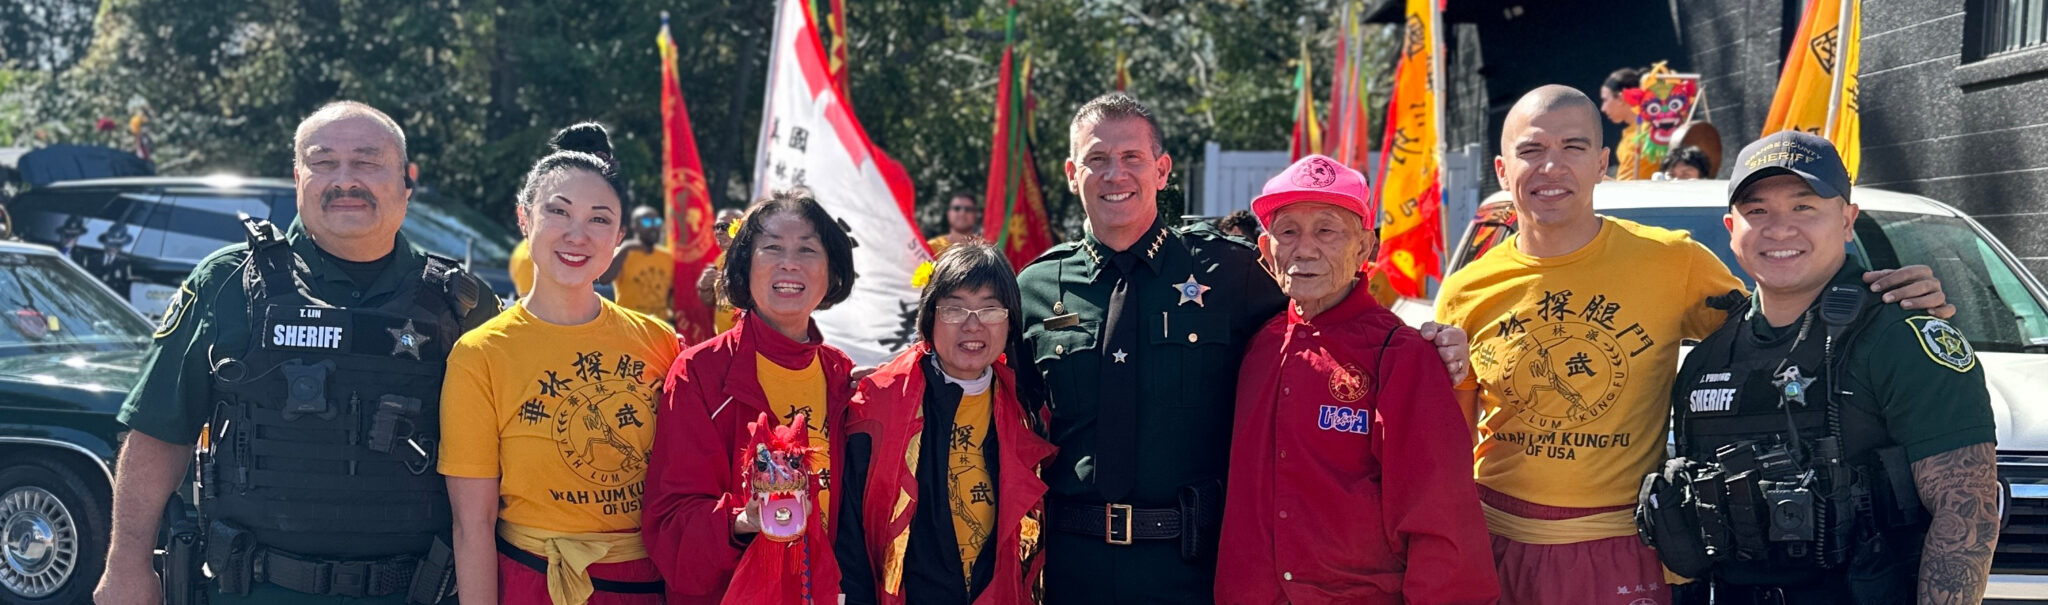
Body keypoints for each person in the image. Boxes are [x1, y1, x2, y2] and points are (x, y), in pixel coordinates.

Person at [1432, 85, 1952, 605]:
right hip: (1495, 543)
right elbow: (1446, 439)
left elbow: (1782, 323)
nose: (1552, 167)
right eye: (1531, 150)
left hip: (1624, 546)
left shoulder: (1672, 262)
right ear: (1502, 170)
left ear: (1602, 163)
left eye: (1573, 147)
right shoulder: (1465, 290)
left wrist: (1879, 297)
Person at [94, 101, 501, 605]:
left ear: (405, 181)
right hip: (257, 589)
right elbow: (159, 431)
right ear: (297, 177)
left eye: (368, 162)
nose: (345, 179)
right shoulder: (228, 283)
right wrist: (125, 567)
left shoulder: (461, 302)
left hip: (417, 590)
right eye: (323, 161)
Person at [1641, 131, 1999, 604]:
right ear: (1732, 229)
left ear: (1848, 220)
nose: (1779, 229)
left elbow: (1967, 516)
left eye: (1804, 207)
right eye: (1758, 211)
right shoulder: (1706, 358)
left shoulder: (1900, 339)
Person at [1216, 154, 1499, 604]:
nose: (1305, 249)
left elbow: (1440, 521)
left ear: (1365, 248)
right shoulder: (1257, 347)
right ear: (1268, 252)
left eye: (1327, 230)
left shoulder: (1402, 356)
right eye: (1289, 231)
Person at [439, 123, 682, 605]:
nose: (578, 234)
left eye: (599, 219)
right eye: (558, 211)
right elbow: (473, 524)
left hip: (647, 585)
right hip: (532, 583)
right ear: (524, 219)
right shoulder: (480, 355)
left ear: (619, 237)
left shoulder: (659, 342)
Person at [644, 188, 860, 604]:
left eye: (808, 250)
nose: (789, 263)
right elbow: (669, 524)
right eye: (772, 248)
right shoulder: (699, 374)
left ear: (832, 272)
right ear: (744, 268)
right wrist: (743, 520)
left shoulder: (841, 374)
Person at [836, 242, 1057, 605]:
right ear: (929, 318)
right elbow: (850, 540)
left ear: (1010, 321)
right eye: (955, 309)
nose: (973, 324)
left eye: (989, 308)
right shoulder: (877, 403)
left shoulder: (1024, 409)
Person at [601, 205, 677, 323]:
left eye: (656, 222)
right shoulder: (623, 253)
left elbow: (670, 292)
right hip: (629, 325)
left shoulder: (666, 257)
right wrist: (625, 249)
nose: (653, 227)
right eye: (646, 222)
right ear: (634, 226)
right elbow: (604, 279)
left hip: (660, 327)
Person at [1600, 67, 1654, 181]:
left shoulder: (1646, 132)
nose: (1603, 108)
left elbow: (1628, 190)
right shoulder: (1635, 132)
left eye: (1605, 100)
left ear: (1620, 98)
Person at [702, 206, 749, 334]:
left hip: (745, 341)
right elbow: (711, 302)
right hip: (723, 341)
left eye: (724, 226)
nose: (718, 232)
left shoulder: (751, 261)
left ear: (741, 228)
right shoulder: (719, 259)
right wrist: (704, 288)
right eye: (716, 227)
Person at [927, 191, 983, 258]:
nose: (962, 213)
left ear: (975, 215)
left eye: (968, 209)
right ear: (949, 214)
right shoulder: (931, 248)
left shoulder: (984, 248)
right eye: (957, 208)